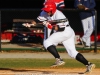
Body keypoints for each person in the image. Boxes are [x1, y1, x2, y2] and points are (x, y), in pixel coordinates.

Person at [25, 2, 95, 74]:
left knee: (47, 42)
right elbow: (37, 20)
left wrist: (49, 25)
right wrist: (30, 24)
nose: (46, 11)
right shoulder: (44, 12)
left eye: (48, 10)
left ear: (53, 10)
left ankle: (59, 59)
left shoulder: (59, 15)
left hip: (65, 31)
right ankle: (89, 64)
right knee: (72, 53)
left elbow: (60, 29)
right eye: (46, 10)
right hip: (67, 32)